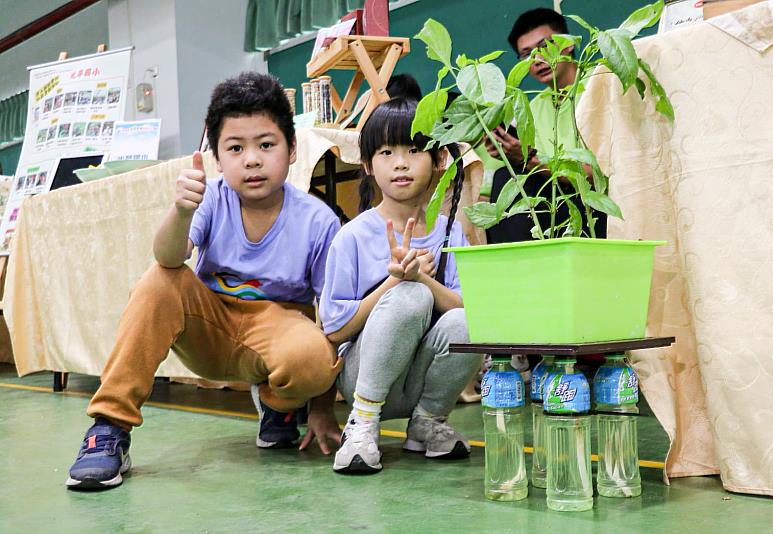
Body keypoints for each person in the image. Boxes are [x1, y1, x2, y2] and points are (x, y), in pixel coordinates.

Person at [66, 72, 343, 490]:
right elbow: (168, 257)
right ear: (216, 157)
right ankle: (109, 429)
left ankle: (279, 407)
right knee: (160, 279)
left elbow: (333, 318)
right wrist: (181, 212)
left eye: (266, 145)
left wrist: (322, 407)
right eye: (236, 148)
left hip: (277, 330)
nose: (252, 159)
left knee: (313, 357)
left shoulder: (319, 220)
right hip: (210, 326)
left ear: (292, 150)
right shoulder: (213, 197)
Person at [319, 98, 483, 474]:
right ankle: (361, 424)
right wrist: (396, 282)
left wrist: (421, 277)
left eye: (414, 150)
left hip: (422, 380)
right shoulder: (352, 237)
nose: (401, 163)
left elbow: (468, 311)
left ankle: (427, 422)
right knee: (409, 295)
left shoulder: (452, 233)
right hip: (365, 379)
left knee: (470, 319)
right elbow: (335, 329)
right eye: (386, 151)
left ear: (439, 159)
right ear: (367, 165)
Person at [484, 7, 606, 243]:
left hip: (595, 205)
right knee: (505, 177)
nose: (537, 59)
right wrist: (513, 155)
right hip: (554, 205)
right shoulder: (532, 107)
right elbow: (536, 172)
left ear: (568, 43)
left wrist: (529, 161)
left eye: (543, 47)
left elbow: (596, 176)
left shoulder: (600, 83)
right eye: (526, 54)